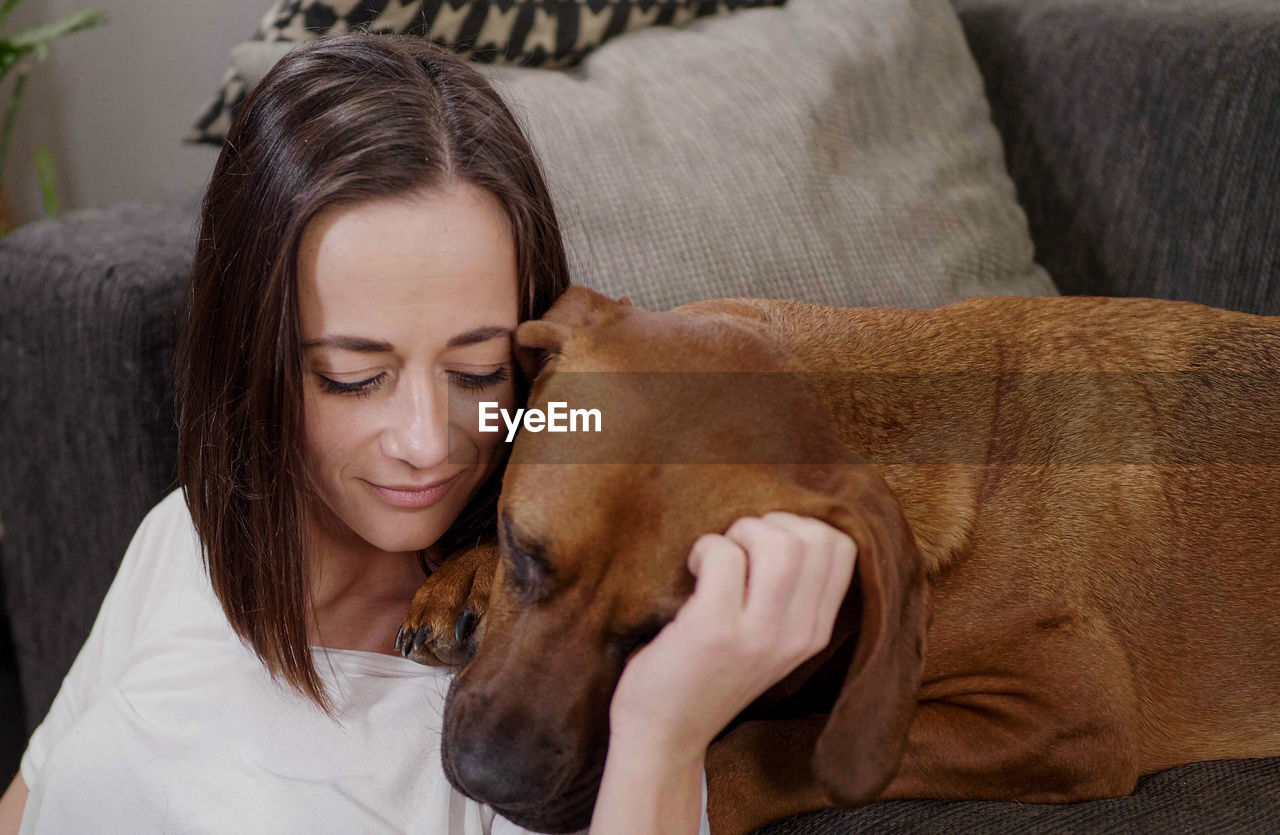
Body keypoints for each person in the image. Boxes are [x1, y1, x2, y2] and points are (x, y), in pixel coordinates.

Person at [0, 33, 855, 834]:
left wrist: (662, 733)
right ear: (248, 363)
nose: (426, 441)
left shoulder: (534, 701)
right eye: (353, 376)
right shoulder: (189, 532)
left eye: (478, 371)